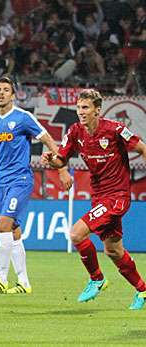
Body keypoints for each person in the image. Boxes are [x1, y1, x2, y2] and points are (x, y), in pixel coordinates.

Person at [42, 89, 146, 310]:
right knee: (113, 250)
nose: (81, 112)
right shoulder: (75, 132)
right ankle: (143, 291)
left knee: (76, 233)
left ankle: (97, 279)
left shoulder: (115, 129)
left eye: (86, 107)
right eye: (79, 107)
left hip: (117, 196)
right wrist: (52, 160)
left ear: (97, 110)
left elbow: (141, 147)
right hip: (99, 197)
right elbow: (61, 161)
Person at [0, 77, 73, 294]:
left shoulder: (23, 118)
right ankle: (23, 282)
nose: (1, 93)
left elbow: (49, 140)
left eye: (6, 90)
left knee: (3, 225)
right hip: (3, 181)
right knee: (14, 230)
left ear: (13, 95)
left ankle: (1, 278)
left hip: (20, 179)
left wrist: (61, 169)